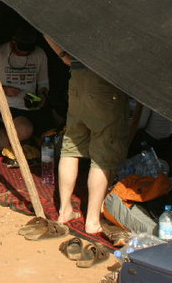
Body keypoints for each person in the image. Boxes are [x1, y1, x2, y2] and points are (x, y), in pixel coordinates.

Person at [45, 36, 129, 235]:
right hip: (104, 80)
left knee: (71, 145)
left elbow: (45, 28)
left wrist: (63, 54)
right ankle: (92, 221)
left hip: (77, 78)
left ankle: (65, 210)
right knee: (103, 153)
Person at [0, 24, 50, 151]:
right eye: (20, 51)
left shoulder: (39, 54)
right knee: (24, 129)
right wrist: (3, 90)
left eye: (27, 52)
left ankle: (24, 145)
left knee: (52, 137)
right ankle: (0, 144)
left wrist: (42, 95)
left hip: (32, 105)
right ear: (13, 42)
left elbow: (43, 82)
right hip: (7, 105)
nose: (23, 54)